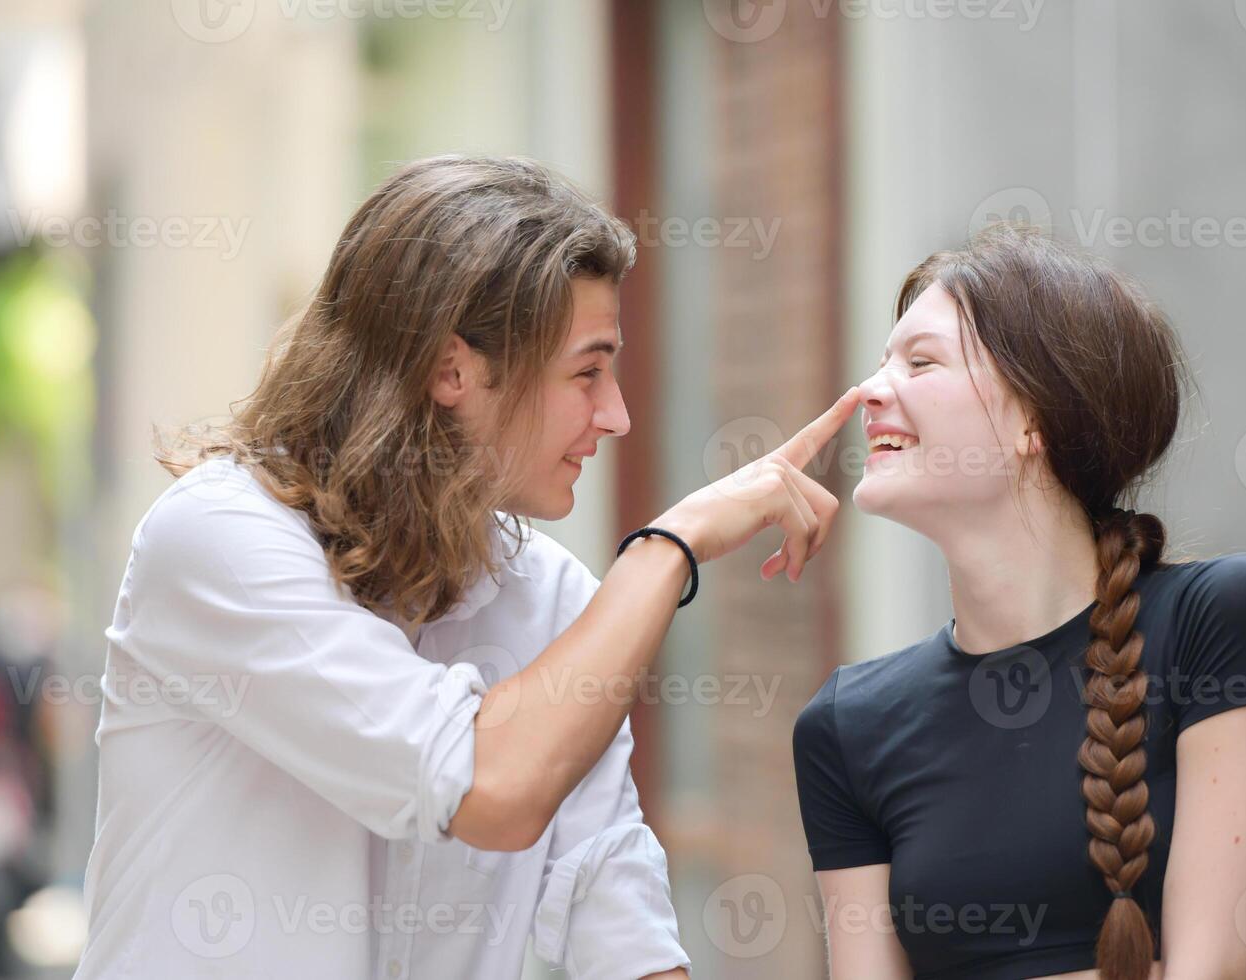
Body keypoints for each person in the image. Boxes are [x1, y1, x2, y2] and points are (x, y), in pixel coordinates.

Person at [73, 154, 857, 979]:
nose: (616, 414)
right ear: (452, 370)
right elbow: (487, 785)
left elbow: (614, 912)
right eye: (587, 371)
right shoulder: (219, 539)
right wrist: (673, 545)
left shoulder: (552, 601)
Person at [793, 225, 1246, 980]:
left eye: (920, 362)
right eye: (879, 362)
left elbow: (1215, 972)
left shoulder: (1216, 619)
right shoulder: (846, 725)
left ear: (1036, 418)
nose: (869, 391)